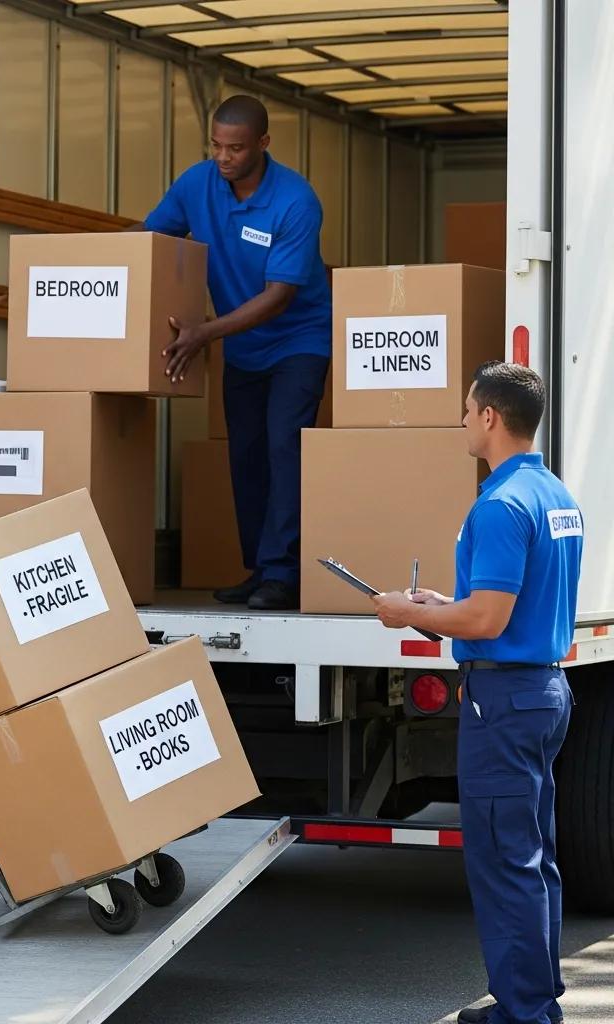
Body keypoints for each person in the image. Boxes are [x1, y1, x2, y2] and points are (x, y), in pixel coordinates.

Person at [373, 361, 581, 1024]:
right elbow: (505, 606)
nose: (463, 421)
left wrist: (411, 614)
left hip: (506, 700)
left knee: (505, 863)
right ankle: (536, 999)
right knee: (535, 860)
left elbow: (487, 620)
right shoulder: (555, 495)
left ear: (491, 417)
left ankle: (525, 1014)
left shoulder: (498, 504)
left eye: (468, 410)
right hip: (542, 689)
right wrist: (447, 603)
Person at [139, 94, 331, 610]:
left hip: (299, 339)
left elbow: (280, 294)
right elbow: (148, 243)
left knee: (282, 445)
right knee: (245, 456)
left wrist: (203, 332)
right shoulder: (196, 184)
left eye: (237, 148)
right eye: (217, 146)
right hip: (241, 344)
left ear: (264, 144)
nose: (224, 158)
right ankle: (260, 568)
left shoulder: (295, 201)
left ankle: (283, 573)